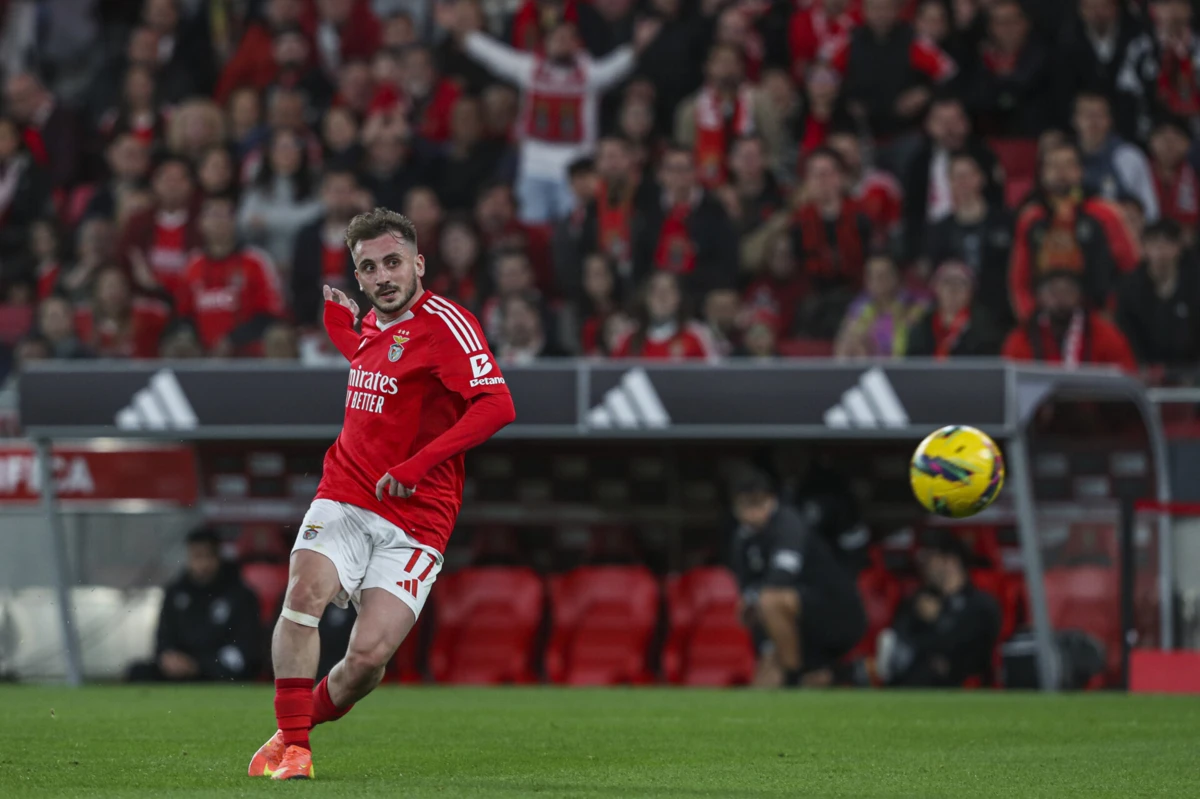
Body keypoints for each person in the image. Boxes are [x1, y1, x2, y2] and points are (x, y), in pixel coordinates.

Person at [248, 208, 515, 781]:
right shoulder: (372, 320)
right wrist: (336, 324)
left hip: (419, 516)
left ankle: (292, 730)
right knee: (303, 593)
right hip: (345, 491)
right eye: (368, 268)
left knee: (366, 662)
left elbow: (498, 405)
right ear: (359, 275)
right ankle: (297, 752)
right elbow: (374, 361)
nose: (382, 277)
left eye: (393, 263)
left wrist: (419, 464)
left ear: (418, 263)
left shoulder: (447, 324)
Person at [455, 10, 659, 223]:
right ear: (547, 42)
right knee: (531, 225)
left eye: (568, 38)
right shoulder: (530, 69)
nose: (562, 42)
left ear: (576, 43)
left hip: (574, 169)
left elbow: (615, 67)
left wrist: (638, 45)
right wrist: (466, 35)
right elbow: (496, 57)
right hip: (534, 168)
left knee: (573, 225)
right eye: (557, 37)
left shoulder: (588, 74)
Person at [729, 469, 866, 688]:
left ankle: (795, 679)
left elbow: (780, 579)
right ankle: (826, 675)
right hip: (798, 622)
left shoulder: (787, 523)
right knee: (763, 682)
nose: (752, 512)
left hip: (835, 612)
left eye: (757, 503)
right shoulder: (743, 539)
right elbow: (747, 589)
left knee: (770, 600)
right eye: (745, 505)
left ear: (771, 500)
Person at [1009, 140, 1139, 322]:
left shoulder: (1106, 214)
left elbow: (1130, 270)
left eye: (1068, 165)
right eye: (1053, 166)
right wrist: (1030, 319)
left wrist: (1111, 314)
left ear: (1080, 171)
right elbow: (1019, 281)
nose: (1061, 172)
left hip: (1099, 317)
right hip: (1044, 320)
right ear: (1042, 174)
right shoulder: (1030, 218)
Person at [128, 528, 263, 683]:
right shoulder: (175, 592)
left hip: (217, 668)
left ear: (218, 557)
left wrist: (200, 665)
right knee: (138, 671)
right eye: (197, 556)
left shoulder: (240, 594)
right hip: (181, 666)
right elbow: (163, 637)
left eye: (208, 556)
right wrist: (169, 657)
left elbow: (245, 647)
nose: (203, 564)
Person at [875, 532, 1000, 688]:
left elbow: (973, 648)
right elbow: (898, 635)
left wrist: (938, 620)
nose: (924, 564)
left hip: (958, 676)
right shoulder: (921, 599)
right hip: (915, 670)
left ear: (950, 562)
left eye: (930, 558)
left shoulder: (980, 603)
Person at [175, 194, 286, 355]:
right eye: (213, 215)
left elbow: (271, 315)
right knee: (178, 344)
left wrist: (233, 340)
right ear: (200, 223)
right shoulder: (192, 265)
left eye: (225, 215)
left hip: (248, 349)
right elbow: (182, 315)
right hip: (202, 352)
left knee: (279, 336)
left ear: (235, 221)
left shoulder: (256, 261)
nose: (219, 221)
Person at [922, 151, 1014, 327]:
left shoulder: (1006, 222)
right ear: (949, 182)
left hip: (1000, 314)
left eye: (967, 175)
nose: (962, 182)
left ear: (980, 178)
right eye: (956, 177)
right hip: (955, 318)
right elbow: (936, 277)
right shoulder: (938, 229)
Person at [1002, 272, 1137, 371]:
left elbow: (1126, 376)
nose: (1061, 299)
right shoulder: (1020, 339)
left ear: (1080, 295)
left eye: (1067, 291)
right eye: (1053, 291)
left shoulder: (1106, 336)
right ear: (1039, 296)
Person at [1117, 218, 1200, 368]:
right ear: (1144, 248)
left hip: (1190, 372)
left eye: (1167, 243)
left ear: (1178, 248)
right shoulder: (1129, 287)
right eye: (1154, 243)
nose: (1160, 250)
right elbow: (1126, 333)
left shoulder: (1194, 283)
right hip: (1144, 370)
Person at [1073, 92, 1158, 219]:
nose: (1093, 122)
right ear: (1075, 120)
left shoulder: (1129, 156)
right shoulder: (1064, 155)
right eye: (1087, 115)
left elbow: (1150, 211)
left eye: (1099, 115)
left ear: (1109, 120)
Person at [905, 261, 1003, 359]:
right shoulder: (922, 324)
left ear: (971, 292)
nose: (953, 289)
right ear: (936, 288)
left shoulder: (985, 328)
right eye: (947, 282)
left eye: (961, 283)